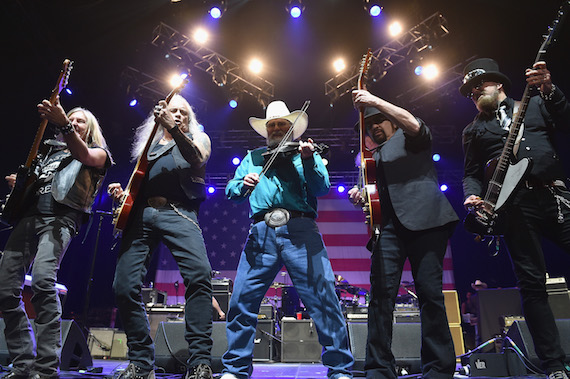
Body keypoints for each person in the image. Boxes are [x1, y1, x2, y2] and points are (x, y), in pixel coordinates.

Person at [221, 100, 354, 379]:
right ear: (266, 130)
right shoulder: (253, 157)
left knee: (323, 297)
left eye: (283, 124)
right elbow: (231, 191)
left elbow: (322, 188)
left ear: (292, 129)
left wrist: (307, 159)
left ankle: (340, 369)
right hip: (261, 232)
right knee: (241, 301)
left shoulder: (306, 154)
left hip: (301, 230)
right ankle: (235, 369)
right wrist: (242, 185)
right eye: (273, 125)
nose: (278, 128)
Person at [460, 58, 570, 379]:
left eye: (480, 84)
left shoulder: (534, 104)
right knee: (532, 285)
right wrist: (471, 194)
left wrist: (549, 88)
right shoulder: (474, 130)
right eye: (470, 91)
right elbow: (471, 174)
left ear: (499, 85)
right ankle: (554, 364)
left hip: (552, 196)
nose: (475, 91)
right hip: (514, 209)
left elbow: (565, 119)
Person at [348, 89, 459, 379]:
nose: (373, 126)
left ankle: (439, 368)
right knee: (380, 297)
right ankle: (378, 368)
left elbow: (414, 123)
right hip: (387, 229)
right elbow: (381, 193)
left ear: (391, 120)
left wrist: (375, 100)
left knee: (430, 295)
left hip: (426, 222)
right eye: (368, 124)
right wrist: (364, 197)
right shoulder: (373, 156)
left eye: (379, 121)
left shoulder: (410, 135)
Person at [0, 98, 112, 379]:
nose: (74, 123)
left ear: (90, 129)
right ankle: (23, 362)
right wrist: (22, 185)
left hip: (59, 219)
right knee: (4, 289)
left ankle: (46, 366)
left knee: (42, 282)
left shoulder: (98, 154)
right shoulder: (46, 153)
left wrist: (63, 122)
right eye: (70, 119)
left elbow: (84, 156)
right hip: (27, 219)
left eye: (79, 121)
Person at [107, 94, 213, 379]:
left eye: (183, 112)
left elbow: (197, 158)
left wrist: (175, 129)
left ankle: (200, 361)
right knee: (124, 285)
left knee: (200, 276)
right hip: (141, 215)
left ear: (189, 118)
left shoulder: (198, 138)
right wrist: (124, 196)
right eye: (172, 110)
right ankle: (141, 362)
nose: (178, 114)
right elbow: (138, 182)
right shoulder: (149, 147)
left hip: (178, 212)